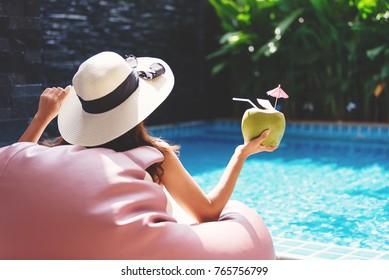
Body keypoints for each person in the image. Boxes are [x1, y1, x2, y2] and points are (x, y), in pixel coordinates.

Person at [19, 51, 277, 223]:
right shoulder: (154, 159)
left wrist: (42, 118)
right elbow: (206, 213)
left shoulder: (61, 155)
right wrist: (240, 154)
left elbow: (12, 167)